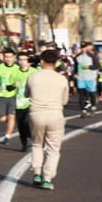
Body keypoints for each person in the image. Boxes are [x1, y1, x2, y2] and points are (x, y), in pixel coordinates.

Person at [26, 49, 70, 190]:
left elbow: (27, 94)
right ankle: (47, 178)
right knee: (53, 148)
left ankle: (37, 172)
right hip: (55, 114)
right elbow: (65, 100)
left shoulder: (33, 76)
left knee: (37, 144)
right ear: (56, 63)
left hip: (36, 113)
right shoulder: (61, 79)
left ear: (41, 62)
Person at [0, 47, 24, 144]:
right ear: (3, 57)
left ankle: (7, 136)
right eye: (6, 57)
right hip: (1, 96)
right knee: (2, 119)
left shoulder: (18, 68)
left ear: (14, 57)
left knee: (11, 117)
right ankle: (8, 123)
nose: (8, 59)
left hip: (13, 96)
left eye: (10, 57)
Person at [14, 50, 34, 153]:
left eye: (24, 60)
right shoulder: (15, 72)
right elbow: (8, 86)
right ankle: (24, 143)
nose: (22, 62)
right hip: (18, 102)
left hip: (30, 102)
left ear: (28, 61)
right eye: (20, 60)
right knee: (21, 125)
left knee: (26, 121)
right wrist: (13, 85)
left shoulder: (34, 72)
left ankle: (30, 137)